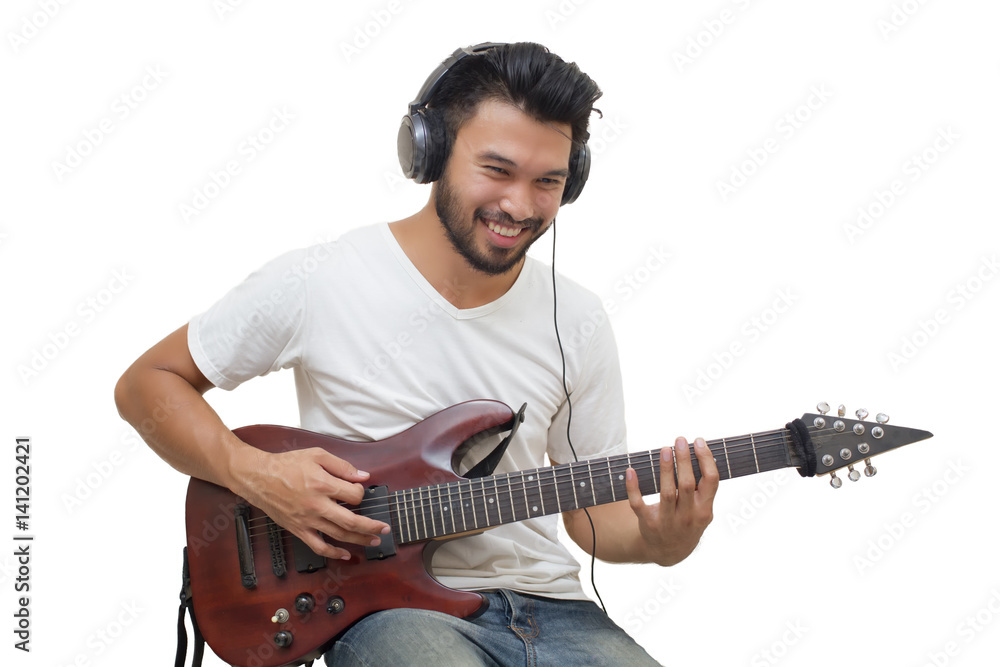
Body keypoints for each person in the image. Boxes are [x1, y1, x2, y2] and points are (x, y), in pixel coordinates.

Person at [115, 42, 719, 666]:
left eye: (548, 182)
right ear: (428, 152)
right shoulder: (321, 279)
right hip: (394, 611)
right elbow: (147, 385)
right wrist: (256, 475)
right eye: (496, 170)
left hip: (556, 610)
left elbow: (595, 516)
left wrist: (663, 540)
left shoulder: (580, 318)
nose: (520, 205)